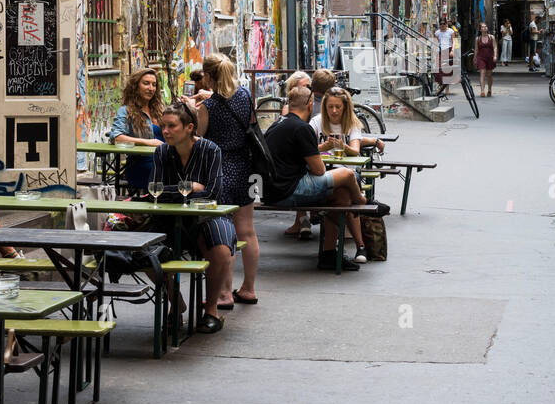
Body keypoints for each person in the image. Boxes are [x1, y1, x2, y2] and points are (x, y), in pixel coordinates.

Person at [264, 84, 388, 272]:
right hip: (290, 190)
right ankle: (363, 201)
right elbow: (319, 170)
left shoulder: (276, 125)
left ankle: (329, 254)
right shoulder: (302, 128)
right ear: (310, 103)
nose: (334, 110)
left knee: (341, 195)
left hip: (272, 190)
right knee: (347, 175)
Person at [149, 101, 236, 333]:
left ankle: (211, 310)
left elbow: (214, 193)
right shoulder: (161, 152)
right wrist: (190, 187)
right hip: (169, 218)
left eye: (171, 126)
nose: (165, 131)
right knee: (142, 249)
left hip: (208, 216)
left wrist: (174, 192)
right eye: (162, 126)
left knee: (221, 249)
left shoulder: (210, 150)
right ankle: (175, 301)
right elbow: (154, 191)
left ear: (189, 128)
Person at [194, 54, 258, 308]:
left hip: (218, 171)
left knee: (224, 234)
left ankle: (223, 294)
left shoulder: (207, 108)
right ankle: (249, 289)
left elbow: (199, 139)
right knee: (247, 231)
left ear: (209, 76)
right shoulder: (244, 96)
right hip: (245, 167)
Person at [310, 85, 376, 262]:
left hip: (348, 172)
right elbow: (308, 150)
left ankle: (333, 249)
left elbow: (355, 150)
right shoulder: (317, 122)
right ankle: (360, 246)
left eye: (338, 107)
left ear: (345, 107)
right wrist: (324, 147)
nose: (333, 111)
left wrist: (342, 146)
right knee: (345, 198)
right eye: (330, 106)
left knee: (344, 193)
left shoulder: (351, 123)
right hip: (324, 172)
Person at [110, 67, 164, 195]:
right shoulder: (126, 111)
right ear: (135, 86)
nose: (151, 88)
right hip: (142, 165)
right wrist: (147, 142)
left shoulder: (160, 110)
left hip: (165, 160)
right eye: (146, 83)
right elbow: (115, 137)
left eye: (154, 85)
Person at [281, 71, 312, 237]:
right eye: (305, 86)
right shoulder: (289, 111)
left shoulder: (313, 104)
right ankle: (302, 220)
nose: (309, 89)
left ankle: (302, 220)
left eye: (309, 86)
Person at [474, 22, 497, 97]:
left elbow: (495, 47)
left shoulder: (491, 37)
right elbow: (476, 49)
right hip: (481, 57)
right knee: (482, 73)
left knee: (489, 75)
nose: (484, 28)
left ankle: (489, 89)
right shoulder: (478, 39)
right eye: (483, 27)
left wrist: (495, 56)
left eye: (485, 27)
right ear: (480, 29)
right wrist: (474, 58)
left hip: (490, 57)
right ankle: (482, 91)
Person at [433, 17, 454, 95]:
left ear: (446, 24)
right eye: (441, 24)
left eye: (444, 23)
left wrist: (452, 50)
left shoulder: (450, 32)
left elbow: (454, 42)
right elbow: (436, 43)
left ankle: (446, 89)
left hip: (449, 51)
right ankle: (441, 85)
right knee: (438, 69)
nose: (442, 25)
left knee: (447, 71)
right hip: (440, 52)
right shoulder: (437, 33)